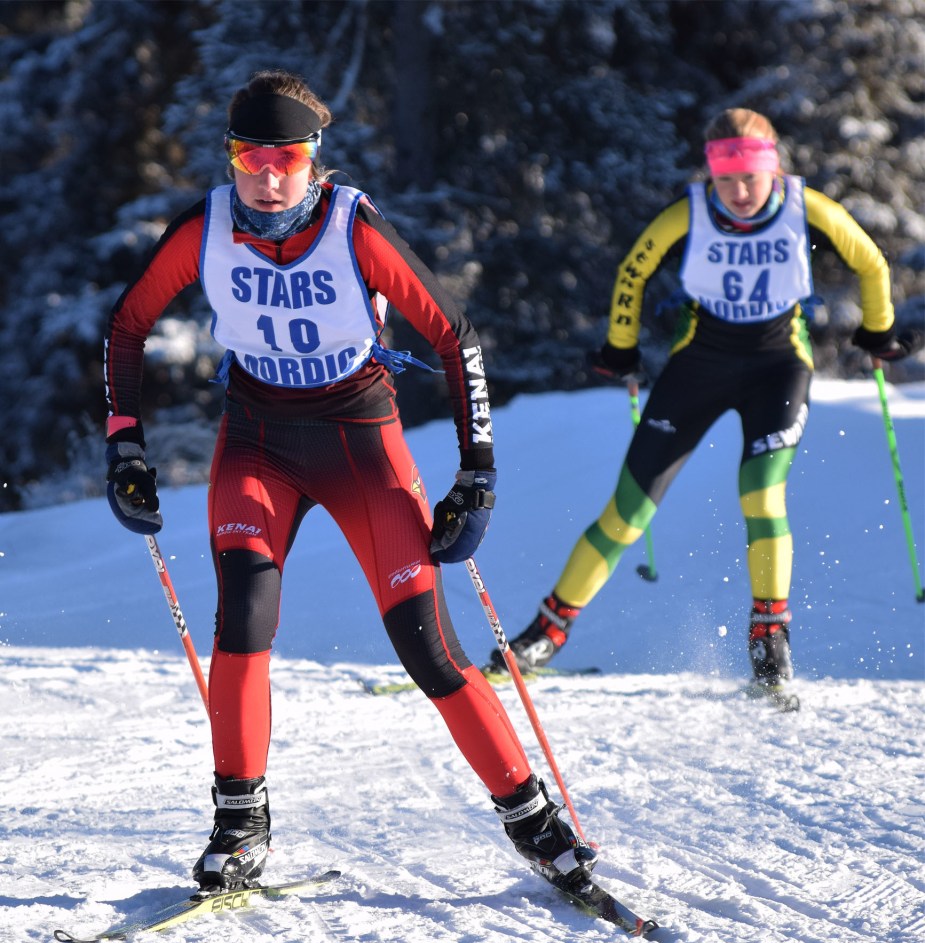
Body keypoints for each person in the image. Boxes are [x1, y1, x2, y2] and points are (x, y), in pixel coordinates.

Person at [103, 69, 597, 892]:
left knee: (426, 646)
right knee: (244, 616)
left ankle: (533, 821)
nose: (267, 176)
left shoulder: (350, 226)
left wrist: (477, 473)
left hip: (359, 438)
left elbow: (454, 335)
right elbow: (127, 324)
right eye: (249, 156)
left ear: (313, 160)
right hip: (258, 440)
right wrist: (125, 446)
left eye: (285, 158)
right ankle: (239, 820)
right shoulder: (204, 228)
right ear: (229, 158)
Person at [492, 107, 917, 711]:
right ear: (709, 177)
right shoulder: (687, 215)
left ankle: (770, 640)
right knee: (627, 512)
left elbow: (870, 260)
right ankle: (545, 634)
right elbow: (632, 270)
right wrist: (621, 345)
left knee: (762, 494)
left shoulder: (804, 208)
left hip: (779, 367)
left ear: (774, 170)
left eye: (752, 178)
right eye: (726, 181)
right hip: (700, 367)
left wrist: (878, 333)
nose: (740, 193)